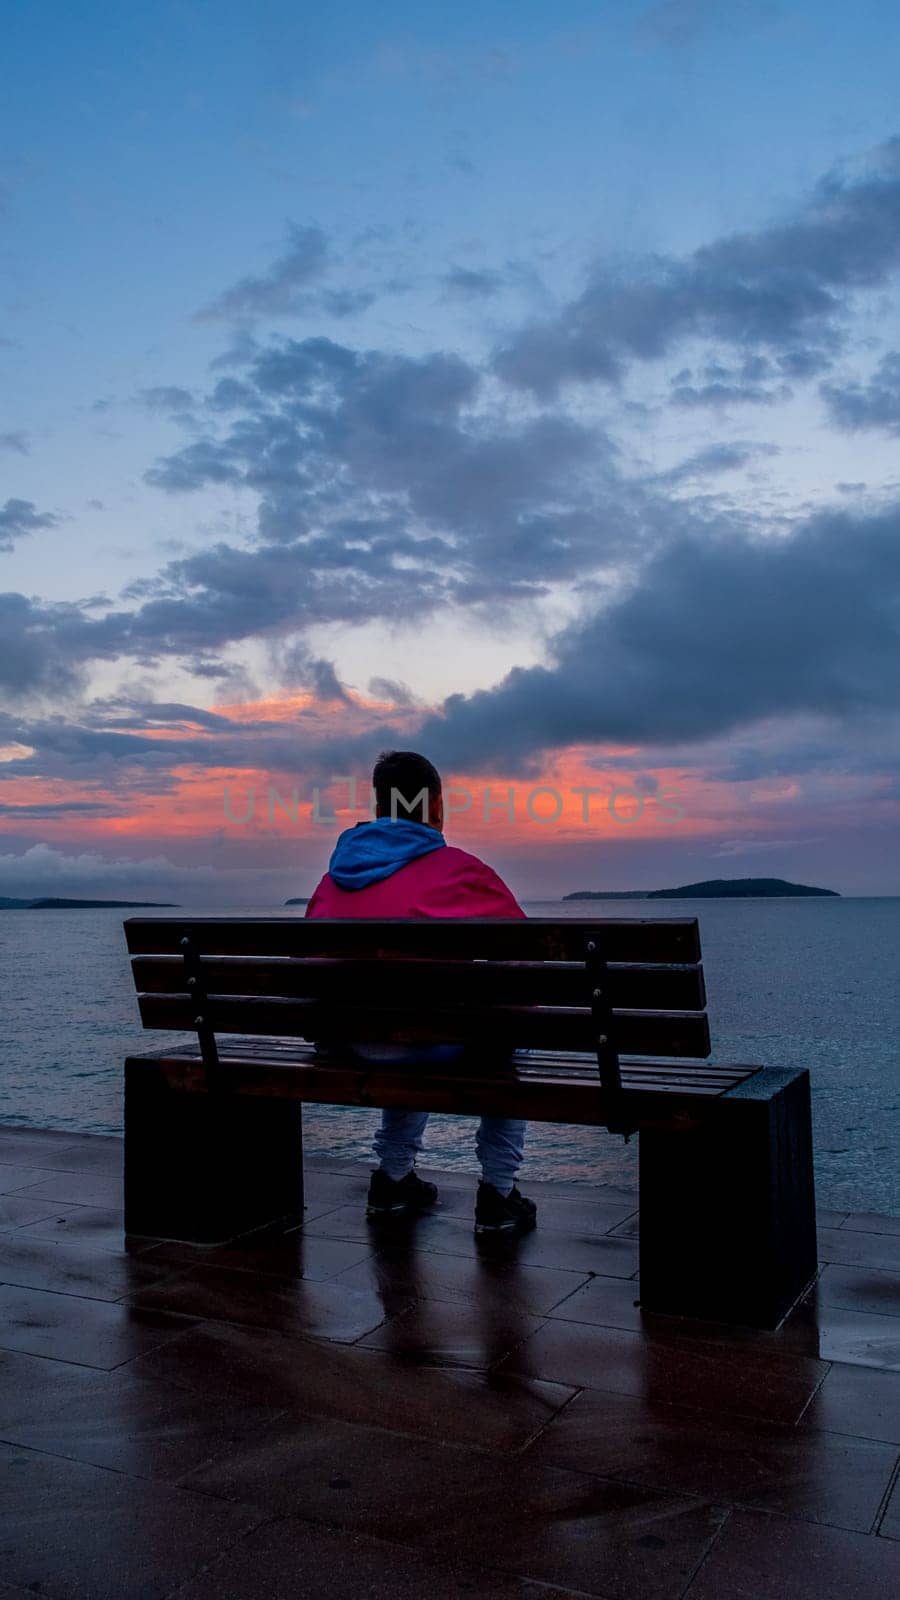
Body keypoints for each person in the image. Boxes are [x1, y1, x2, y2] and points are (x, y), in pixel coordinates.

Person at [305, 749, 536, 1234]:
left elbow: (308, 963)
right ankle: (497, 1192)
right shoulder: (461, 870)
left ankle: (392, 1180)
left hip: (352, 1045)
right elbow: (526, 958)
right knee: (502, 1032)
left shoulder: (334, 878)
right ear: (434, 806)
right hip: (430, 1042)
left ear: (379, 805)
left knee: (406, 1024)